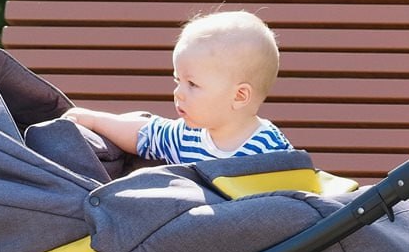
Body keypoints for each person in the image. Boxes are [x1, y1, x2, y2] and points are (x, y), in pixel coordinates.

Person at [63, 9, 292, 163]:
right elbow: (143, 133)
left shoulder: (270, 152)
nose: (178, 93)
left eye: (192, 84)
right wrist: (93, 120)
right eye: (177, 81)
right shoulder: (186, 135)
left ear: (239, 96)